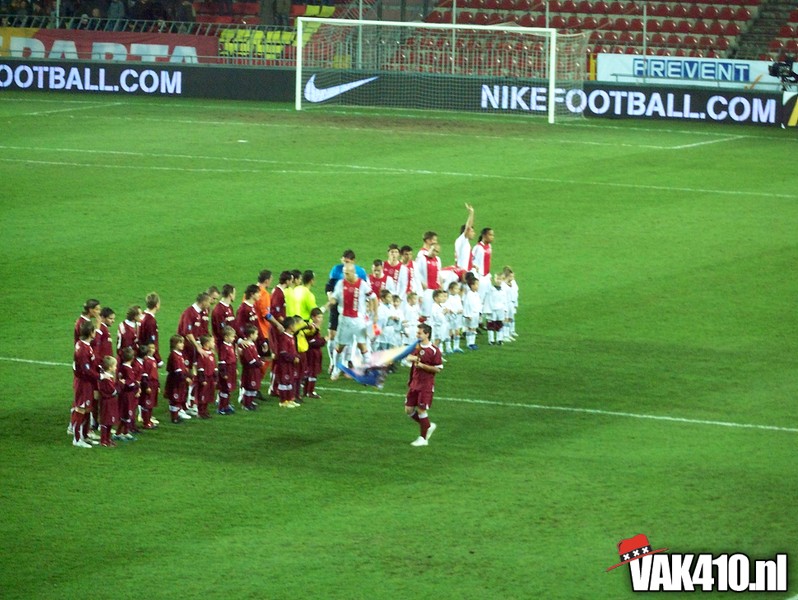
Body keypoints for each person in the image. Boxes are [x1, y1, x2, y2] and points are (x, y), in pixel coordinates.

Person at [329, 263, 377, 381]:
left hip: (358, 320)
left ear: (353, 272)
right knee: (340, 347)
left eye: (347, 273)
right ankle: (336, 369)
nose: (345, 275)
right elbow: (335, 297)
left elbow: (373, 297)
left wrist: (375, 313)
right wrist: (332, 301)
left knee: (362, 346)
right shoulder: (341, 284)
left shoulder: (362, 284)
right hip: (344, 320)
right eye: (344, 273)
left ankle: (367, 371)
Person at [325, 250, 368, 367]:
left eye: (347, 261)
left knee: (349, 336)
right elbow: (329, 286)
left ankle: (347, 361)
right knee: (332, 334)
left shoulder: (361, 272)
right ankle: (332, 362)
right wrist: (330, 297)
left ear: (353, 261)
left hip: (352, 308)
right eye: (343, 261)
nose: (345, 264)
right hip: (336, 305)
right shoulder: (336, 269)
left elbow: (365, 291)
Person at [404, 323, 442, 447]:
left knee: (421, 410)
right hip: (414, 383)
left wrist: (422, 366)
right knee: (408, 410)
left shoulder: (434, 350)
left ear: (427, 334)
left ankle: (423, 438)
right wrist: (411, 358)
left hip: (426, 385)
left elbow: (437, 369)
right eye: (417, 333)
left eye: (420, 333)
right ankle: (428, 426)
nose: (417, 335)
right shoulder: (416, 346)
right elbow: (408, 357)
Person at [71, 320, 99, 448]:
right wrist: (100, 376)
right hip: (83, 383)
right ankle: (77, 439)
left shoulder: (84, 345)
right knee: (81, 409)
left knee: (87, 409)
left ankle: (85, 435)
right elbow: (86, 370)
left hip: (87, 382)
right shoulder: (83, 349)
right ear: (91, 332)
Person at [274, 316, 301, 408]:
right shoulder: (284, 338)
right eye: (295, 325)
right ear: (290, 326)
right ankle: (283, 401)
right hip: (284, 365)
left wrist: (297, 356)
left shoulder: (291, 337)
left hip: (290, 364)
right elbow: (283, 353)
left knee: (290, 382)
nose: (296, 326)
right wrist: (293, 358)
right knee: (284, 382)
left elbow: (293, 350)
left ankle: (289, 400)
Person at [165, 334, 192, 423]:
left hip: (180, 381)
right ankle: (174, 417)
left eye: (183, 342)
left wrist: (187, 376)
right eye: (180, 343)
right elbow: (177, 371)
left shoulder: (180, 355)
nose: (182, 344)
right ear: (174, 344)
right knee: (175, 399)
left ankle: (177, 415)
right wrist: (185, 378)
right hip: (175, 382)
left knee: (179, 398)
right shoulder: (174, 355)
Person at [115, 346, 139, 441]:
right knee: (125, 414)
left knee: (127, 414)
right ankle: (118, 433)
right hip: (127, 395)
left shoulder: (123, 367)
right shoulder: (127, 369)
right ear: (133, 358)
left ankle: (125, 432)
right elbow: (129, 383)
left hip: (127, 395)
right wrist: (135, 386)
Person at [238, 325, 264, 411]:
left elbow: (256, 355)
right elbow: (250, 359)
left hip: (255, 369)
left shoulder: (252, 344)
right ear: (251, 335)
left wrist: (260, 360)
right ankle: (246, 404)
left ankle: (250, 402)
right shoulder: (246, 346)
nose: (257, 336)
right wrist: (259, 363)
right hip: (250, 370)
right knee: (249, 387)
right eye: (256, 334)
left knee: (254, 387)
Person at [415, 242, 442, 319]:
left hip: (435, 290)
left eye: (437, 252)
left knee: (434, 312)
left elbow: (438, 272)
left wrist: (440, 284)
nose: (435, 253)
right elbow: (416, 272)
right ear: (429, 248)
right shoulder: (422, 258)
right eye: (433, 250)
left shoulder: (438, 260)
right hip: (426, 290)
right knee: (426, 312)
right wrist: (421, 282)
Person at [303, 308, 326, 399]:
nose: (321, 319)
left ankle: (307, 391)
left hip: (315, 353)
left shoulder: (316, 328)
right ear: (313, 317)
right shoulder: (311, 328)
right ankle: (310, 391)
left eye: (321, 317)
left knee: (312, 372)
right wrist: (324, 340)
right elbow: (312, 342)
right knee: (312, 372)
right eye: (318, 317)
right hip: (312, 353)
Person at [97, 356, 119, 447]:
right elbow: (113, 391)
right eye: (115, 366)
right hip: (107, 402)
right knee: (105, 421)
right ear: (110, 367)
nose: (116, 368)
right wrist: (120, 385)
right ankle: (103, 440)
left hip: (111, 402)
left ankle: (108, 439)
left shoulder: (109, 377)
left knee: (110, 421)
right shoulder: (106, 379)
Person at [194, 334, 217, 419]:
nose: (214, 344)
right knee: (202, 395)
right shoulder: (202, 354)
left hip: (210, 378)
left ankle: (205, 411)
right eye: (212, 342)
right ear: (207, 343)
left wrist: (215, 377)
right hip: (205, 378)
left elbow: (214, 366)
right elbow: (200, 368)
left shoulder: (211, 353)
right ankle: (200, 412)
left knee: (208, 395)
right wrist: (202, 379)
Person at [216, 326, 237, 415]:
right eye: (232, 336)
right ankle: (221, 408)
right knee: (224, 389)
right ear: (226, 337)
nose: (234, 338)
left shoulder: (231, 345)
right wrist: (223, 373)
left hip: (231, 370)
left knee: (229, 389)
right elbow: (222, 361)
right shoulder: (223, 347)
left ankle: (226, 405)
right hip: (226, 370)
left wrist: (235, 369)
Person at [472, 226, 494, 307]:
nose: (492, 237)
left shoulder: (489, 246)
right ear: (484, 236)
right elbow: (471, 261)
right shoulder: (477, 247)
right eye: (490, 235)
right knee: (479, 299)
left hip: (487, 276)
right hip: (480, 276)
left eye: (493, 235)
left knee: (488, 300)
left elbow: (488, 261)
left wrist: (489, 274)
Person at [140, 343, 159, 429]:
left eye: (153, 348)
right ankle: (146, 422)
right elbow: (144, 375)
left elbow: (156, 374)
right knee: (147, 404)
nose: (151, 350)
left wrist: (158, 385)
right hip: (149, 383)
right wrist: (146, 386)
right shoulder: (146, 361)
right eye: (150, 348)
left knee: (151, 404)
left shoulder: (154, 360)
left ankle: (149, 420)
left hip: (154, 384)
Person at [139, 292, 162, 366]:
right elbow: (151, 342)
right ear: (157, 305)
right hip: (147, 356)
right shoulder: (151, 321)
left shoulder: (141, 315)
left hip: (139, 352)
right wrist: (158, 359)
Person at [212, 284, 236, 350]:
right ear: (230, 295)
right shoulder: (218, 310)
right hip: (223, 345)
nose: (235, 296)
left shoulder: (230, 307)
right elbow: (219, 330)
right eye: (234, 294)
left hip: (231, 342)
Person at [454, 203, 476, 274]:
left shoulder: (465, 242)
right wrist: (471, 213)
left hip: (465, 272)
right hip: (462, 273)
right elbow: (468, 227)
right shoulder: (461, 240)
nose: (474, 233)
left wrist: (472, 265)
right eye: (472, 231)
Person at [462, 273, 482, 350]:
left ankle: (472, 343)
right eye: (476, 284)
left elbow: (479, 304)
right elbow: (467, 305)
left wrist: (480, 312)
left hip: (476, 314)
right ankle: (469, 343)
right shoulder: (469, 295)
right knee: (469, 328)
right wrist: (468, 315)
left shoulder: (477, 294)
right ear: (472, 285)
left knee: (474, 328)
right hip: (471, 314)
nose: (478, 286)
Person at [445, 281, 465, 353]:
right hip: (450, 316)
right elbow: (448, 307)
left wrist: (461, 309)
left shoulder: (458, 297)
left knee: (457, 331)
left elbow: (460, 305)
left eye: (458, 289)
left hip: (458, 317)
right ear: (451, 289)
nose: (458, 290)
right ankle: (448, 347)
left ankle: (456, 346)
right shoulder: (448, 297)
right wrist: (453, 311)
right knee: (449, 331)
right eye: (456, 288)